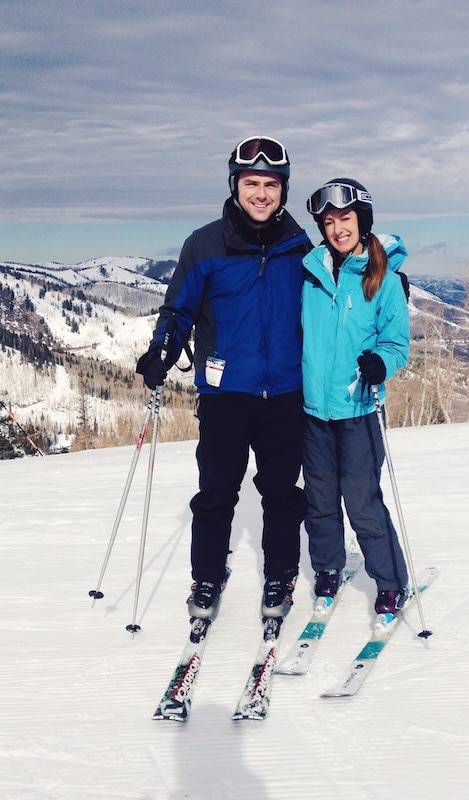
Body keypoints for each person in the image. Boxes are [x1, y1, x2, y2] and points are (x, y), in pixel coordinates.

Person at [136, 136, 312, 621]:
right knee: (216, 493)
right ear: (235, 185)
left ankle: (280, 575)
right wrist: (162, 350)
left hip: (285, 392)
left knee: (281, 492)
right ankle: (207, 577)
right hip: (225, 395)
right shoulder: (205, 244)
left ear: (283, 189)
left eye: (271, 184)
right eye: (251, 182)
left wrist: (380, 278)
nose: (261, 193)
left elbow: (336, 291)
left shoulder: (300, 246)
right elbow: (179, 310)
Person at [301, 178, 411, 615]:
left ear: (361, 221)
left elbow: (396, 342)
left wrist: (381, 363)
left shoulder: (381, 278)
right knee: (320, 499)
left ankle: (389, 579)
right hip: (313, 411)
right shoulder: (310, 272)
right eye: (328, 222)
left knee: (362, 501)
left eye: (345, 218)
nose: (337, 228)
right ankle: (328, 568)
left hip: (358, 408)